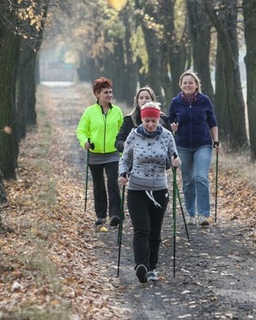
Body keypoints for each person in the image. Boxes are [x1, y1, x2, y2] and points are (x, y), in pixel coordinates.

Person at [118, 102, 181, 283]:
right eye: (147, 121)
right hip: (137, 187)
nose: (150, 125)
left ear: (158, 119)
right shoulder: (133, 136)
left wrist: (176, 162)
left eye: (153, 121)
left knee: (155, 231)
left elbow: (174, 158)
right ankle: (141, 265)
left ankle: (152, 267)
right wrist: (122, 174)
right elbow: (125, 159)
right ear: (142, 119)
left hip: (160, 188)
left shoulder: (167, 136)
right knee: (141, 229)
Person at [168, 70, 219, 226]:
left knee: (201, 177)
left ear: (196, 85)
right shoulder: (175, 102)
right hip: (182, 145)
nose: (188, 85)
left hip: (202, 143)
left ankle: (203, 214)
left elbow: (212, 121)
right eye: (185, 83)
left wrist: (216, 141)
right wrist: (172, 128)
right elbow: (168, 125)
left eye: (191, 82)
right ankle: (190, 214)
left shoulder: (204, 101)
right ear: (181, 85)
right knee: (188, 180)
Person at [76, 77, 124, 227]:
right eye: (105, 92)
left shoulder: (117, 111)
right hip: (95, 154)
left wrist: (123, 148)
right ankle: (101, 215)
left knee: (112, 183)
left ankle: (115, 214)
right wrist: (84, 142)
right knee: (98, 186)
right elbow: (81, 130)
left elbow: (122, 131)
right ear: (97, 94)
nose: (109, 95)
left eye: (110, 92)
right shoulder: (89, 112)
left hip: (113, 154)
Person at [115, 85, 171, 153]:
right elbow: (118, 142)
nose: (144, 100)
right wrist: (125, 144)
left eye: (147, 98)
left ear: (152, 100)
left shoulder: (163, 119)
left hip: (158, 158)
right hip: (135, 159)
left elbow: (170, 141)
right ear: (137, 101)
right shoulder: (129, 119)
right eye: (141, 98)